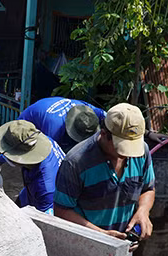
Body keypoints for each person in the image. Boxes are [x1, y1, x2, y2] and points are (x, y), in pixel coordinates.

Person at [54, 103, 155, 246]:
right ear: (104, 134)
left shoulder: (142, 152)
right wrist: (100, 235)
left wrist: (143, 211)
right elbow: (61, 210)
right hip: (83, 245)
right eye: (122, 148)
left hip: (123, 246)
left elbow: (148, 189)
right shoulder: (75, 162)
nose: (128, 154)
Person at [0, 120, 65, 215]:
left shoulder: (45, 188)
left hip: (46, 204)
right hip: (29, 192)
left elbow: (45, 222)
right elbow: (14, 150)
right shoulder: (38, 140)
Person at [18, 97, 106, 152]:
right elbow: (51, 153)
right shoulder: (54, 129)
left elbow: (106, 114)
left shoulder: (86, 109)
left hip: (47, 110)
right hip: (28, 121)